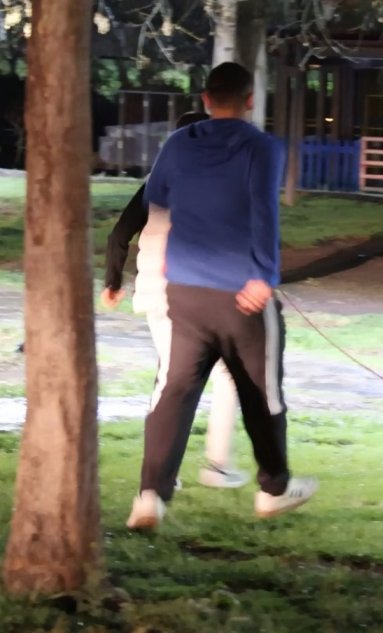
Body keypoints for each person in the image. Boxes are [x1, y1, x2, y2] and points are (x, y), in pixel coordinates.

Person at [126, 62, 317, 530]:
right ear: (250, 100)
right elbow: (262, 211)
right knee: (260, 392)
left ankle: (150, 496)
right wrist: (263, 274)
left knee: (172, 391)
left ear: (206, 99)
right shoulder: (262, 147)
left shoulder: (176, 145)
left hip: (184, 293)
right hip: (241, 296)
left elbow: (159, 205)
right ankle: (273, 488)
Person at [100, 110, 249, 490]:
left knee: (171, 380)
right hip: (192, 295)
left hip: (153, 292)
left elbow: (119, 235)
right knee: (227, 376)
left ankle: (161, 475)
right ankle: (214, 466)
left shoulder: (157, 182)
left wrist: (113, 282)